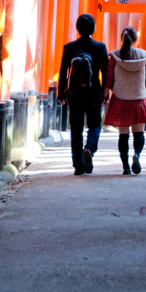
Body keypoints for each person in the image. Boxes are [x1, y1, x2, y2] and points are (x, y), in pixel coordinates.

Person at [57, 13, 109, 175]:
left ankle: (78, 166)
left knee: (76, 129)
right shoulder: (100, 47)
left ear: (78, 28)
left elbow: (63, 72)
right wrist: (105, 94)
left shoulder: (69, 47)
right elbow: (106, 73)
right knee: (94, 125)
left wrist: (61, 94)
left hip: (74, 94)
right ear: (93, 28)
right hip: (93, 94)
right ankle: (89, 148)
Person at [103, 26, 146, 175]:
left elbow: (109, 80)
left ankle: (126, 167)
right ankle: (137, 155)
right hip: (139, 101)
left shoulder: (114, 57)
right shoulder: (144, 56)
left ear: (122, 38)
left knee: (123, 136)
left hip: (120, 100)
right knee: (139, 134)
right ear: (136, 40)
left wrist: (105, 96)